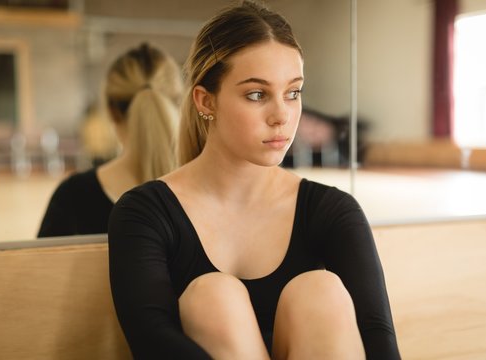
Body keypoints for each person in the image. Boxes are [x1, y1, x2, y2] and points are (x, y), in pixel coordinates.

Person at [108, 1, 401, 359]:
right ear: (206, 101)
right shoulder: (145, 212)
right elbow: (152, 342)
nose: (282, 116)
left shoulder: (333, 210)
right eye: (257, 94)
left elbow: (379, 338)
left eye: (293, 92)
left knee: (320, 290)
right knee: (213, 296)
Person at [38, 43, 182, 237]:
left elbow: (40, 265)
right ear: (180, 104)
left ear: (112, 112)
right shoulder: (212, 191)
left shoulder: (73, 196)